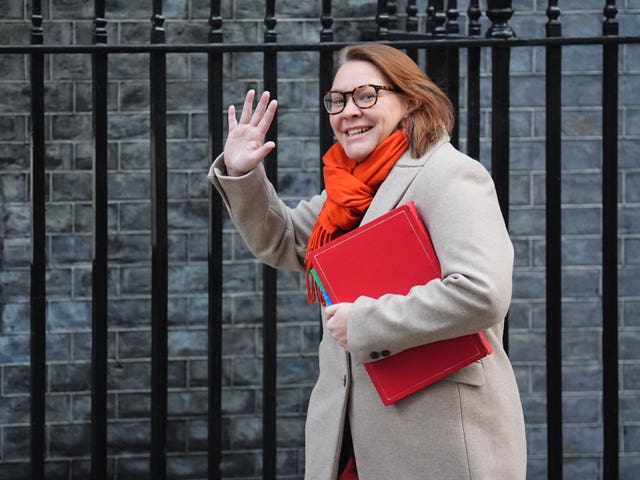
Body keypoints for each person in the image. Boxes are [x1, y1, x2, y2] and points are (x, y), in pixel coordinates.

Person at [208, 44, 526, 480]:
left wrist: (364, 323)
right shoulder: (348, 190)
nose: (348, 111)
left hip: (436, 438)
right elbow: (281, 240)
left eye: (366, 96)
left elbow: (481, 293)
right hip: (351, 437)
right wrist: (242, 172)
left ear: (411, 100)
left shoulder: (449, 174)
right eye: (337, 100)